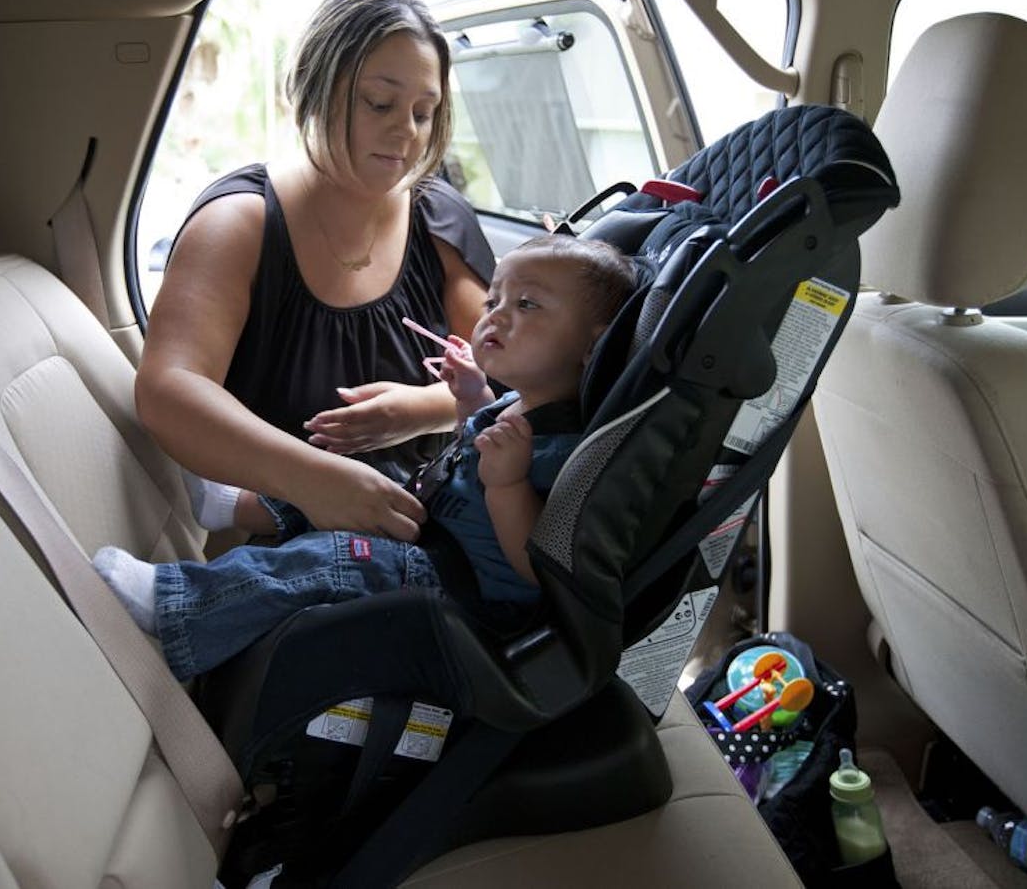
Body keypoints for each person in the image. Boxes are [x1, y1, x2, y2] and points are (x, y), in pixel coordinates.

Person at [96, 236, 636, 680]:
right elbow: (471, 440)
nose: (495, 316)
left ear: (595, 345)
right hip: (435, 533)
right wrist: (471, 396)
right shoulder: (519, 405)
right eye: (494, 300)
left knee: (333, 557)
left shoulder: (569, 449)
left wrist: (508, 486)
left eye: (528, 304)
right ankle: (233, 504)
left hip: (460, 590)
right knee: (359, 480)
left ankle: (179, 611)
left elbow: (536, 567)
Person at [137, 0, 495, 543]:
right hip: (277, 552)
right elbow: (170, 389)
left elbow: (512, 367)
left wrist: (424, 410)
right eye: (379, 103)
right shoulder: (242, 223)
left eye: (424, 112)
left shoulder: (439, 219)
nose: (406, 131)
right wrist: (316, 482)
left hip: (419, 530)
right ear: (315, 88)